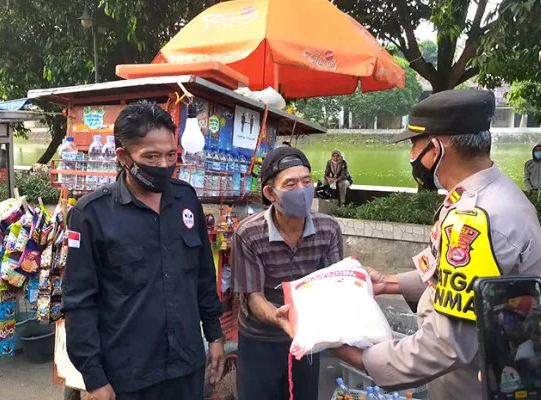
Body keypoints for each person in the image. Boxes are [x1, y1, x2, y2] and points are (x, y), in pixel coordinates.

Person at [332, 90, 541, 399]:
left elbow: (448, 345)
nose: (411, 156)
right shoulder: (491, 193)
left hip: (473, 385)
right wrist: (389, 283)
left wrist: (361, 358)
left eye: (413, 145)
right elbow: (464, 284)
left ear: (435, 149)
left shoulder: (477, 219)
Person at [63, 101, 225, 400]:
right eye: (151, 156)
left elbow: (203, 276)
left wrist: (215, 335)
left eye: (170, 155)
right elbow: (79, 302)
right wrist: (94, 377)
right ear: (124, 156)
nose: (163, 165)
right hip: (127, 375)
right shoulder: (91, 214)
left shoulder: (186, 200)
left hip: (186, 367)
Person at [232, 147, 343, 400]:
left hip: (308, 339)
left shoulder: (329, 229)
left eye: (306, 182)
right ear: (271, 193)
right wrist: (279, 317)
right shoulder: (249, 233)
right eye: (290, 184)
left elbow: (335, 286)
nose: (302, 191)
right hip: (260, 339)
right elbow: (253, 297)